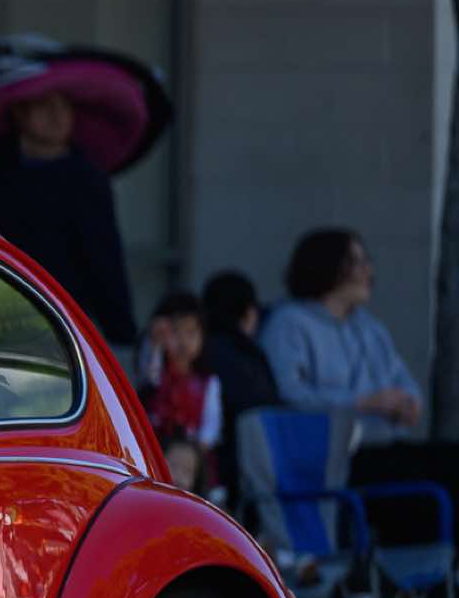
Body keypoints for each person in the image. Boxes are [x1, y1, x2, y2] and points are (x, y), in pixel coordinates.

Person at [258, 228, 459, 544]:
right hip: (330, 458)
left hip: (385, 446)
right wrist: (364, 402)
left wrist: (409, 403)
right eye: (356, 261)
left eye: (367, 260)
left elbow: (404, 382)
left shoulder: (369, 328)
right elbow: (289, 396)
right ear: (327, 266)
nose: (368, 270)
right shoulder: (289, 324)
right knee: (430, 480)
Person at [0, 85, 137, 348]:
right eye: (44, 105)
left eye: (64, 106)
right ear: (19, 112)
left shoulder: (86, 179)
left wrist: (122, 334)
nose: (57, 115)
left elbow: (104, 261)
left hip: (60, 322)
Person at [201, 269, 279, 498]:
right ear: (248, 313)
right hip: (252, 473)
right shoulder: (250, 355)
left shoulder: (201, 352)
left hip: (210, 467)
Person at [138, 291, 222, 493]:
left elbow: (211, 430)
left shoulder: (208, 382)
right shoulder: (155, 373)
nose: (183, 341)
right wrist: (156, 344)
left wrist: (191, 454)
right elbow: (148, 374)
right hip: (154, 457)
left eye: (191, 333)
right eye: (175, 333)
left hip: (192, 464)